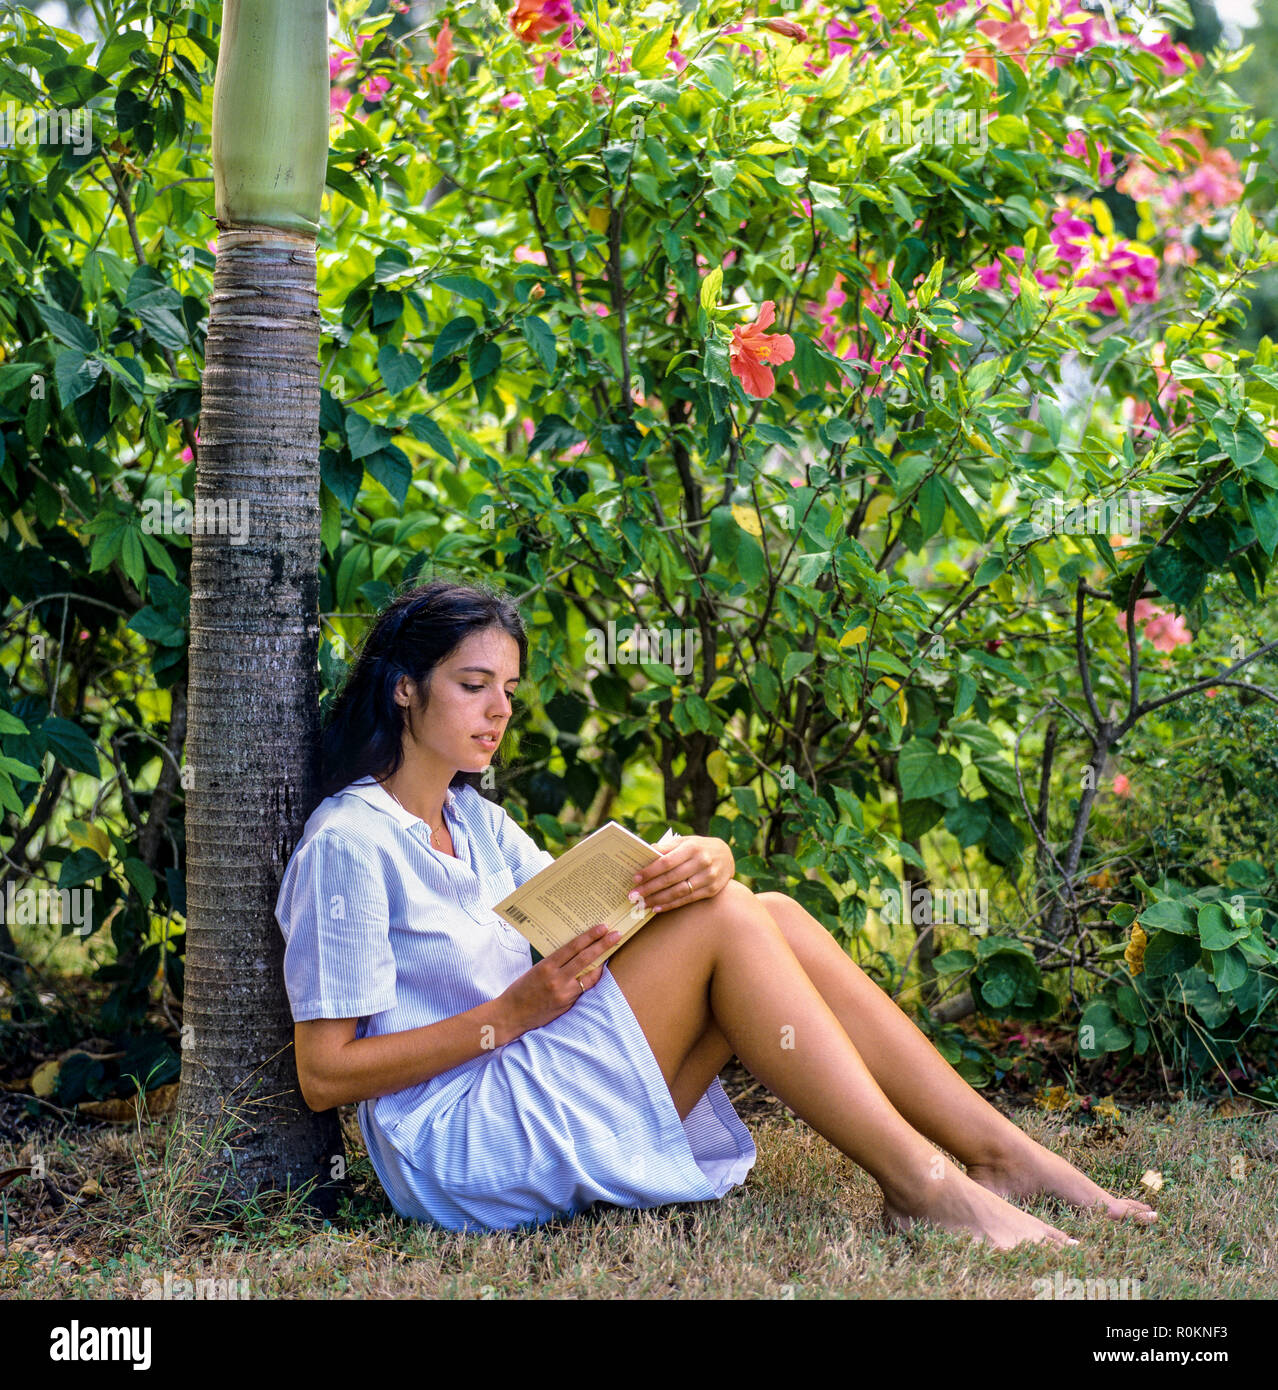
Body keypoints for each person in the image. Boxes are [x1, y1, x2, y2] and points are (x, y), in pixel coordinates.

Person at [275, 577, 1158, 1246]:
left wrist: (704, 864)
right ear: (403, 688)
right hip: (458, 1147)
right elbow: (327, 1074)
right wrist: (508, 1016)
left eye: (508, 688)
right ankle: (924, 1185)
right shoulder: (352, 843)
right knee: (733, 920)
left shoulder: (473, 820)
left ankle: (1008, 1158)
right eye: (473, 685)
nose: (499, 709)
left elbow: (594, 918)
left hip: (530, 1073)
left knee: (759, 905)